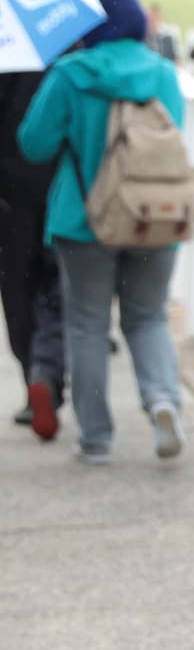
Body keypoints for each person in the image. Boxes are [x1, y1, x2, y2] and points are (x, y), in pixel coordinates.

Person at [18, 0, 187, 464]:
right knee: (148, 316)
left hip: (83, 219)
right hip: (154, 214)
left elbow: (34, 144)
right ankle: (161, 400)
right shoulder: (162, 72)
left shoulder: (71, 73)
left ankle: (95, 439)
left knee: (88, 325)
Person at [0, 66, 66, 439]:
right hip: (61, 184)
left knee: (17, 288)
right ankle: (50, 371)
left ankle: (33, 380)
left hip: (10, 192)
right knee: (58, 284)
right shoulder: (66, 42)